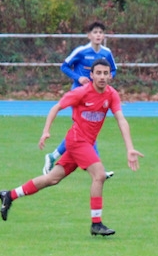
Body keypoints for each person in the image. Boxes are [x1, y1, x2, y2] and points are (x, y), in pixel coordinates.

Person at [0, 59, 141, 237]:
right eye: (98, 73)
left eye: (106, 73)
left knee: (52, 179)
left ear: (110, 76)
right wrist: (46, 131)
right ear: (91, 75)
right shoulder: (81, 92)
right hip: (76, 141)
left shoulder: (111, 95)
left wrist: (130, 148)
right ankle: (96, 223)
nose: (102, 77)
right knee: (99, 175)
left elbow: (121, 120)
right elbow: (56, 108)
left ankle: (10, 195)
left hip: (85, 143)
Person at [42, 21, 117, 174]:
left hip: (96, 95)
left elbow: (113, 70)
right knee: (85, 129)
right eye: (95, 32)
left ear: (104, 36)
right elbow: (64, 66)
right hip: (79, 95)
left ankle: (53, 156)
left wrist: (107, 78)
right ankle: (99, 169)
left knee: (85, 130)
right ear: (89, 35)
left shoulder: (106, 53)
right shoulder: (81, 51)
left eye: (100, 32)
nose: (98, 35)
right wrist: (78, 78)